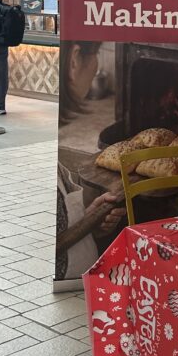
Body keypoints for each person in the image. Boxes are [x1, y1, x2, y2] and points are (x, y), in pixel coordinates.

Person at [55, 40, 124, 291]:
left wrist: (89, 217)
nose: (95, 67)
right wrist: (92, 218)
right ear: (75, 60)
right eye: (94, 55)